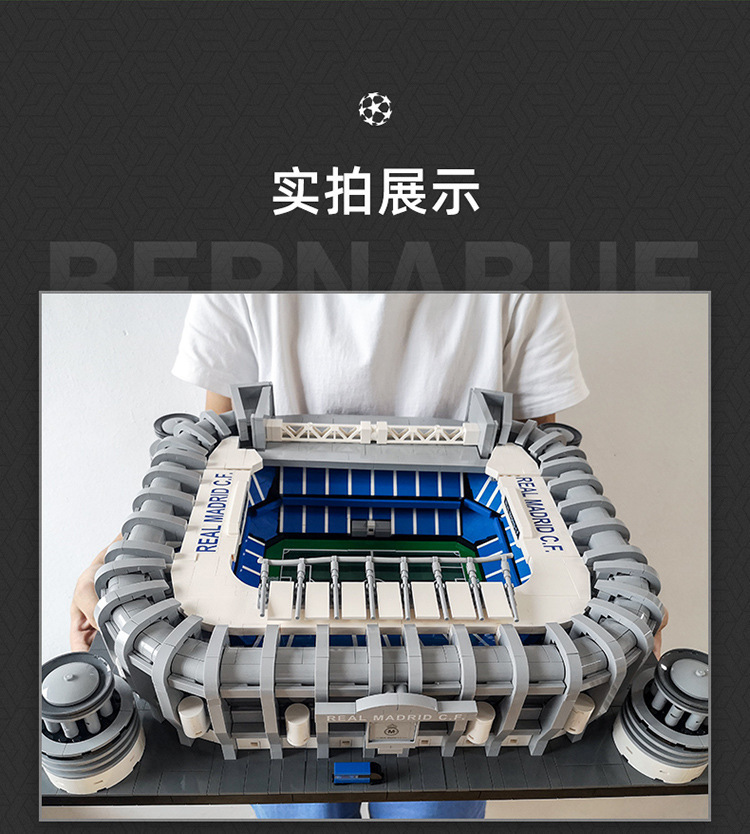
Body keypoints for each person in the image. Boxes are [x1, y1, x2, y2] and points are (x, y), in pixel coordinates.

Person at [70, 293, 658, 819]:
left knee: (433, 801)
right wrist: (123, 562)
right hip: (266, 662)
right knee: (301, 799)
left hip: (477, 662)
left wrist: (618, 585)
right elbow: (217, 448)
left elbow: (535, 465)